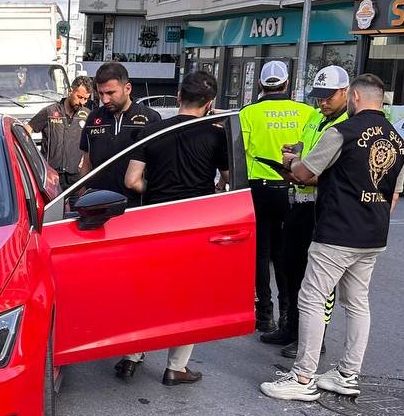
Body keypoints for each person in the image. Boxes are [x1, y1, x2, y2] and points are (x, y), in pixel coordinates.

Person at [260, 73, 404, 401]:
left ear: (353, 96)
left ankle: (302, 378)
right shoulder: (399, 140)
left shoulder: (341, 132)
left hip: (337, 230)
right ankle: (347, 374)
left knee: (312, 297)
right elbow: (394, 196)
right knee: (357, 302)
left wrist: (293, 160)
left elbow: (303, 174)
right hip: (373, 233)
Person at [113, 71, 230, 385]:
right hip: (195, 224)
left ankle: (130, 357)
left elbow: (131, 181)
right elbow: (228, 179)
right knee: (187, 298)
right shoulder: (217, 135)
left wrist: (158, 188)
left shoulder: (152, 132)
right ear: (210, 103)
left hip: (155, 222)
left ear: (178, 97)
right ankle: (175, 367)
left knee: (146, 292)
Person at [269, 65, 351, 354]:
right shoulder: (317, 117)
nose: (322, 102)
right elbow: (307, 146)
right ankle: (290, 328)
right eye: (319, 96)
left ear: (345, 92)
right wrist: (295, 151)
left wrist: (298, 169)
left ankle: (314, 340)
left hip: (322, 206)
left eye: (329, 97)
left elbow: (329, 173)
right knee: (289, 267)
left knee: (315, 278)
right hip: (299, 202)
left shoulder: (345, 126)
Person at [238, 60, 317, 336]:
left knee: (260, 253)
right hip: (293, 189)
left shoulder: (248, 113)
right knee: (287, 253)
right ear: (287, 84)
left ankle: (264, 315)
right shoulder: (307, 112)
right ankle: (287, 315)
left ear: (261, 85)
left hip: (258, 189)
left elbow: (240, 152)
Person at [79, 62, 160, 203]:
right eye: (101, 93)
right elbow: (86, 163)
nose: (105, 99)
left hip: (134, 207)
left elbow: (159, 167)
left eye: (110, 93)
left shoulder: (150, 118)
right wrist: (80, 197)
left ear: (127, 88)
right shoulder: (93, 117)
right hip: (98, 205)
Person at [27, 75, 92, 188]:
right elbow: (27, 130)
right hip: (51, 178)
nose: (82, 102)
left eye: (86, 99)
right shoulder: (50, 111)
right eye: (80, 97)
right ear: (71, 91)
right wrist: (33, 159)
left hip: (75, 179)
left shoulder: (87, 115)